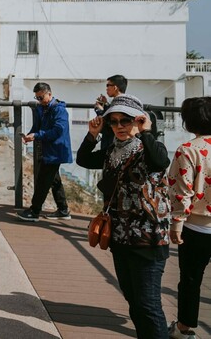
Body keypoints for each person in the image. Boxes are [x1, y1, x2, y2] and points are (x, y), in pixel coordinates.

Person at [77, 94, 171, 339]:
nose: (119, 126)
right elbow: (84, 159)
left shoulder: (147, 149)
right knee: (134, 301)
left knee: (148, 305)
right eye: (114, 121)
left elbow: (161, 160)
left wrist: (145, 131)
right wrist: (92, 134)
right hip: (120, 237)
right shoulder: (111, 152)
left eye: (125, 121)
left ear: (138, 121)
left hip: (149, 238)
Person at [166, 97, 211, 339]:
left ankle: (184, 329)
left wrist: (176, 224)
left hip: (197, 226)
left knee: (191, 279)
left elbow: (182, 191)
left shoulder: (188, 150)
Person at [17, 82, 73, 221]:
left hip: (56, 151)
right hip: (49, 150)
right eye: (37, 98)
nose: (39, 101)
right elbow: (38, 127)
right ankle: (63, 209)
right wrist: (31, 134)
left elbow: (58, 130)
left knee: (43, 181)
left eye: (41, 97)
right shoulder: (42, 108)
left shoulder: (59, 110)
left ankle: (34, 211)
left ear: (49, 94)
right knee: (54, 180)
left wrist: (36, 135)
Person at [94, 74, 128, 151]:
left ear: (115, 87)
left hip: (111, 145)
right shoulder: (125, 102)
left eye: (108, 85)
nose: (106, 88)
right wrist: (106, 105)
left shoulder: (117, 104)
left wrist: (99, 110)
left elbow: (107, 126)